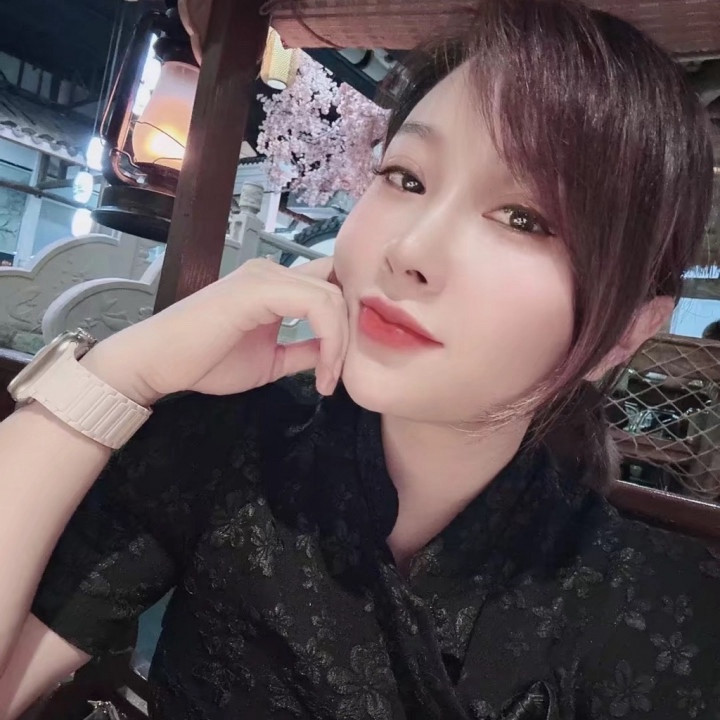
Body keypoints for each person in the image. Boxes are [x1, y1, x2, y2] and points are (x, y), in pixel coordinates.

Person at [1, 0, 718, 718]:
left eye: (524, 219)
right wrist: (123, 373)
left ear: (626, 331)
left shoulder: (660, 613)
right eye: (406, 178)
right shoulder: (233, 444)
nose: (409, 250)